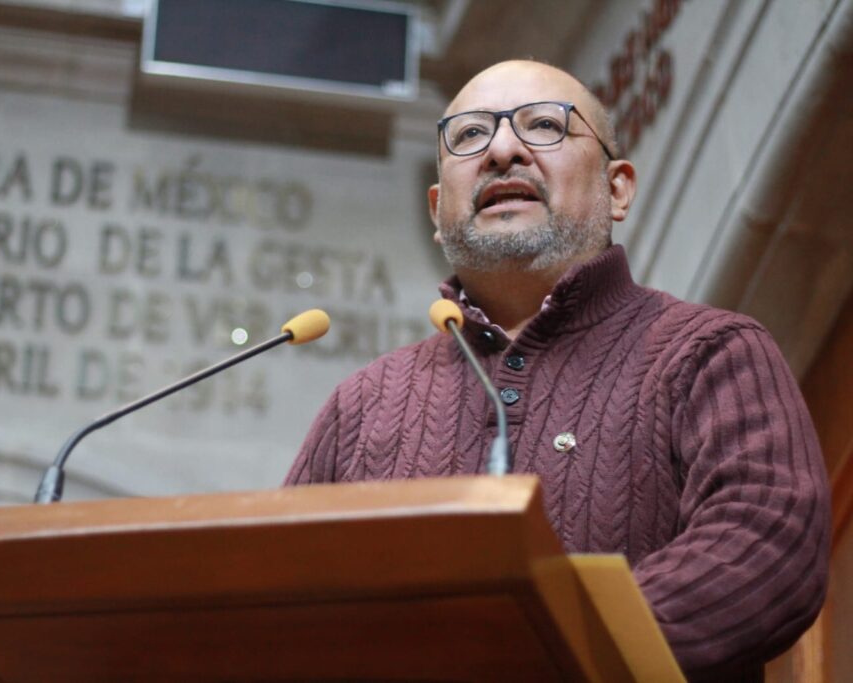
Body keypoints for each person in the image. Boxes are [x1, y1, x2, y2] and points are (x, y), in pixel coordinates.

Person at [284, 60, 829, 681]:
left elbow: (765, 541)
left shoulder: (710, 353)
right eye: (468, 136)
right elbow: (267, 596)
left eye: (543, 125)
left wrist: (547, 642)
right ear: (437, 212)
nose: (502, 151)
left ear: (617, 188)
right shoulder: (362, 404)